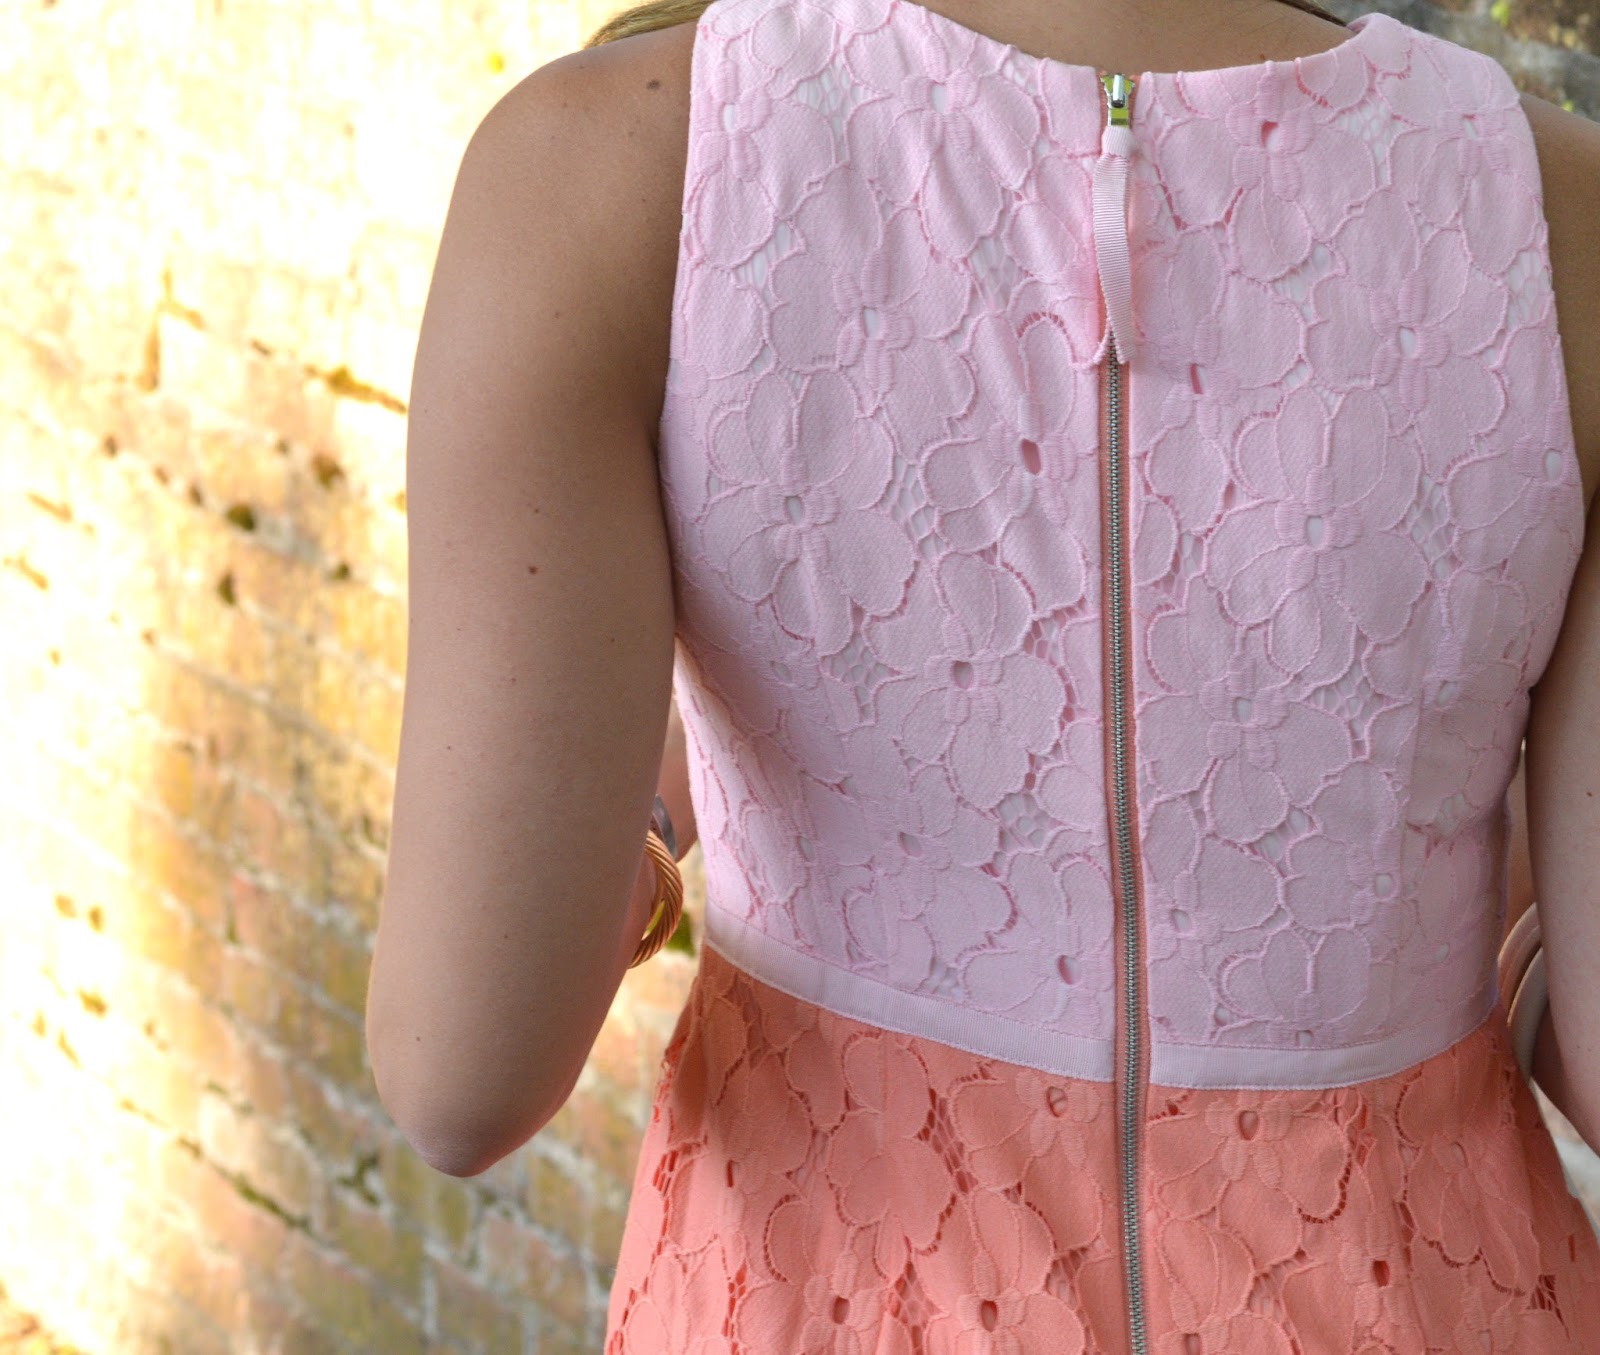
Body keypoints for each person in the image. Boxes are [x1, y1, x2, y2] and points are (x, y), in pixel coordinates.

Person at [363, 0, 1600, 1347]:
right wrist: (1452, 915)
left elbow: (461, 1077)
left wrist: (656, 823)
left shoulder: (600, 165)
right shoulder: (1563, 213)